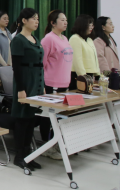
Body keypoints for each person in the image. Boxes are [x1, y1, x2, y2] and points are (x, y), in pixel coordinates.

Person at [11, 8, 44, 171]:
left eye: (37, 19)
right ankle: (19, 156)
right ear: (24, 21)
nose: (37, 21)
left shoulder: (35, 38)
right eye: (34, 19)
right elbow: (16, 67)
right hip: (24, 82)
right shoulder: (18, 40)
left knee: (31, 119)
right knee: (22, 119)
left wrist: (42, 86)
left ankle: (28, 154)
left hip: (36, 82)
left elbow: (40, 64)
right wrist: (21, 89)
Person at [39, 9, 72, 160]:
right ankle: (46, 145)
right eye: (62, 20)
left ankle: (57, 143)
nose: (65, 22)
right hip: (51, 83)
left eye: (66, 20)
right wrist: (42, 85)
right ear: (53, 23)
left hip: (64, 84)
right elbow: (41, 64)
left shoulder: (65, 38)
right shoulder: (48, 39)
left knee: (59, 116)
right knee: (49, 115)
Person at [69, 14, 100, 87]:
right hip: (78, 75)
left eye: (92, 25)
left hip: (89, 75)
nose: (92, 27)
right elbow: (77, 60)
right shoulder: (75, 38)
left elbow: (95, 58)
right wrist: (83, 76)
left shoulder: (89, 40)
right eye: (89, 24)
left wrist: (98, 74)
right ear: (82, 25)